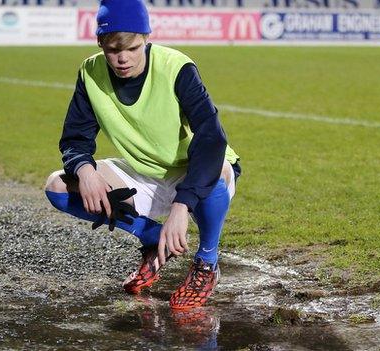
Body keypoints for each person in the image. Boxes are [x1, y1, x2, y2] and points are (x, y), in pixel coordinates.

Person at [44, 0, 240, 310]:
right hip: (144, 174)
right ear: (100, 43)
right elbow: (74, 138)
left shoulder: (177, 67)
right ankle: (151, 237)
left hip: (193, 172)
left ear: (146, 38)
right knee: (57, 186)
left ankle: (206, 262)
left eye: (133, 48)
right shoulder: (90, 72)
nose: (122, 59)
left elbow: (211, 138)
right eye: (112, 50)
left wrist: (181, 205)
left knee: (217, 174)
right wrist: (85, 170)